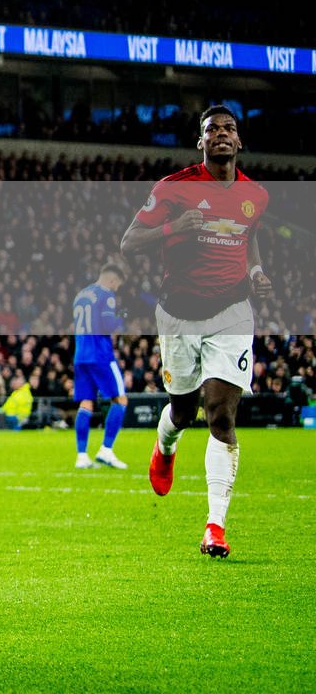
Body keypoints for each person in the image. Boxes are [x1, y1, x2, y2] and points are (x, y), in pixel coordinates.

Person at [121, 104, 272, 559]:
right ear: (201, 142)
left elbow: (250, 235)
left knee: (221, 415)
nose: (221, 135)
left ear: (239, 141)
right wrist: (173, 227)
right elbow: (129, 244)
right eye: (212, 130)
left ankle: (215, 527)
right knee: (184, 410)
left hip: (232, 310)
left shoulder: (256, 195)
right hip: (179, 314)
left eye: (229, 129)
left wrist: (258, 269)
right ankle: (165, 446)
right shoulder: (174, 189)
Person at [71, 263, 129, 470]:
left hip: (81, 354)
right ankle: (106, 450)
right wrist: (121, 317)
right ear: (112, 281)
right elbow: (107, 325)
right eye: (117, 286)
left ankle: (82, 455)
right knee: (120, 399)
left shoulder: (81, 295)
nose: (116, 290)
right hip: (101, 354)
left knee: (86, 403)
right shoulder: (106, 295)